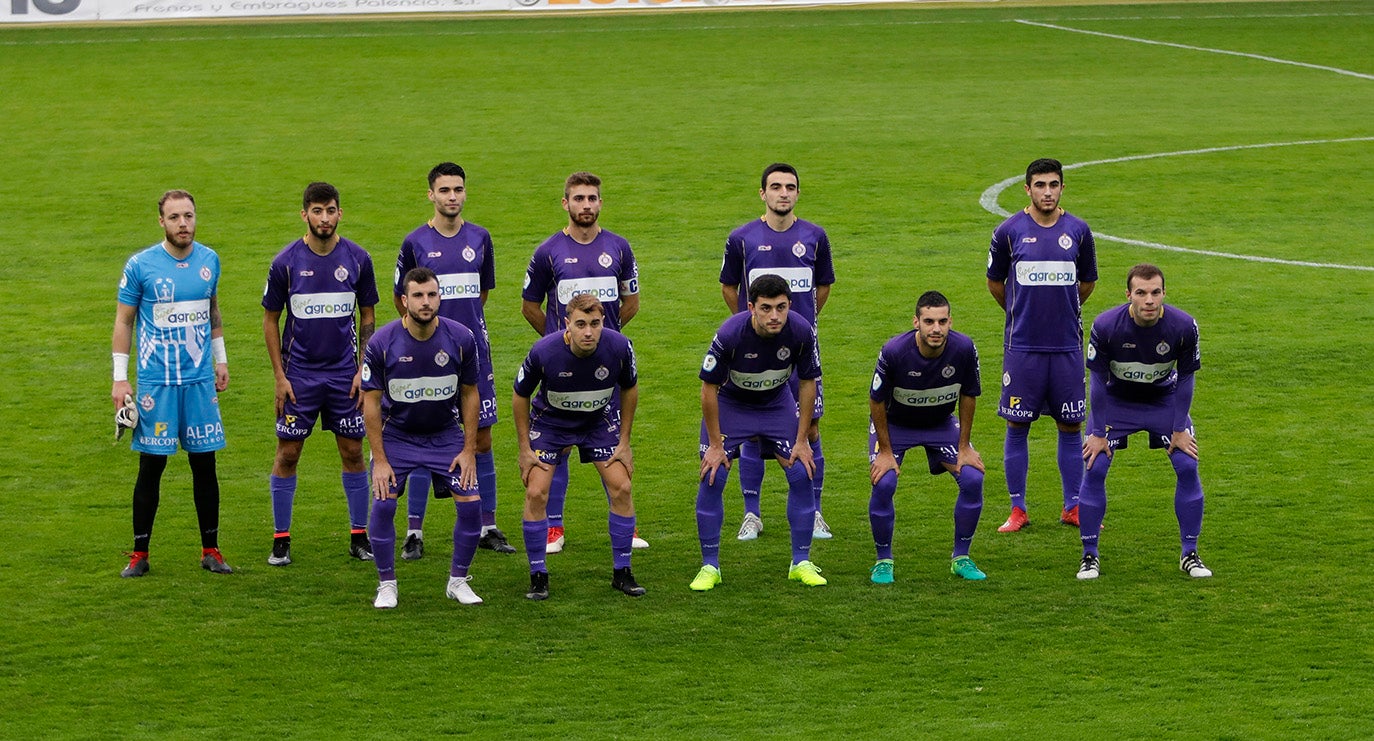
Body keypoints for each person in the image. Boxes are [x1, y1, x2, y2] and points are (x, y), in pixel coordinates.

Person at [392, 163, 514, 561]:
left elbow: (481, 295)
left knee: (481, 438)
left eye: (458, 189)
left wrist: (463, 332)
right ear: (431, 194)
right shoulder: (414, 242)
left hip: (472, 350)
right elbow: (403, 299)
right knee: (424, 435)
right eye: (444, 190)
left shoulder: (481, 238)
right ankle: (414, 532)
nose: (452, 196)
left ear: (465, 193)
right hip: (426, 355)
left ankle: (487, 525)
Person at [521, 171, 647, 554]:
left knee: (612, 445)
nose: (586, 205)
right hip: (562, 368)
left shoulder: (620, 248)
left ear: (600, 203)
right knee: (554, 448)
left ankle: (628, 526)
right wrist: (558, 342)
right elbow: (530, 305)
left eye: (592, 198)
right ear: (566, 204)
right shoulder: (547, 252)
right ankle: (553, 528)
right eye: (578, 199)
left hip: (604, 369)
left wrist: (605, 343)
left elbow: (631, 302)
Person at [111, 189, 233, 577]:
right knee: (151, 467)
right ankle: (139, 555)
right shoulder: (141, 265)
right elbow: (124, 322)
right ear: (161, 221)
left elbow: (212, 312)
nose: (184, 224)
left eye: (189, 216)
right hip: (156, 383)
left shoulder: (209, 260)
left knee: (205, 466)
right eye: (176, 217)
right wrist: (119, 379)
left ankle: (211, 550)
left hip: (198, 382)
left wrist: (221, 360)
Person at [262, 182, 378, 566]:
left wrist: (364, 371)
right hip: (301, 377)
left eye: (330, 211)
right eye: (317, 211)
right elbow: (270, 320)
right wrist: (280, 376)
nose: (324, 218)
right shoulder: (285, 263)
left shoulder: (358, 259)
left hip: (345, 375)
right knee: (289, 452)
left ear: (340, 213)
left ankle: (359, 536)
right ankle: (281, 538)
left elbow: (368, 317)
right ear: (304, 215)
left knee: (353, 450)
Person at [719, 163, 835, 542]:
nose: (783, 193)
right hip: (754, 355)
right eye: (775, 187)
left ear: (798, 193)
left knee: (811, 428)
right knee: (753, 433)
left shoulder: (815, 237)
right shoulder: (742, 239)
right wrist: (750, 329)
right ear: (762, 194)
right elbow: (730, 288)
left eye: (790, 187)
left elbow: (821, 290)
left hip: (800, 353)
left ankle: (814, 511)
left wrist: (798, 329)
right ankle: (752, 514)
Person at [690, 275, 825, 591]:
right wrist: (713, 444)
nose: (774, 316)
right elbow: (708, 388)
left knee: (801, 473)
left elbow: (807, 383)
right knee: (713, 475)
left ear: (789, 305)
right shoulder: (730, 334)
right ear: (750, 307)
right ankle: (710, 567)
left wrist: (803, 440)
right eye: (766, 308)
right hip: (732, 404)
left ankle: (800, 562)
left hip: (776, 403)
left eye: (781, 307)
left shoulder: (802, 331)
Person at [1075, 264, 1210, 580]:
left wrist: (1178, 429)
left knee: (1188, 465)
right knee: (1095, 467)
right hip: (1116, 403)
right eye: (1141, 293)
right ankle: (1089, 555)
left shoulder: (1184, 326)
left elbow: (1187, 378)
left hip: (1162, 401)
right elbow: (1095, 380)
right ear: (1128, 295)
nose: (1149, 300)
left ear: (1164, 293)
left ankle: (1190, 553)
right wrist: (1096, 432)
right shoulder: (1106, 325)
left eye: (1155, 292)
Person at [361, 268, 483, 609]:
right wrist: (380, 460)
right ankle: (387, 585)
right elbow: (370, 403)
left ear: (439, 297)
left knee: (472, 507)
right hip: (397, 437)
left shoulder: (461, 338)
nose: (426, 302)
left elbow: (471, 394)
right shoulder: (382, 343)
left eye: (431, 295)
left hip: (445, 436)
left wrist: (469, 450)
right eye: (418, 295)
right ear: (404, 301)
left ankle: (458, 581)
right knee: (384, 505)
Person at [986, 157, 1098, 533]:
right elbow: (996, 283)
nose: (1047, 192)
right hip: (1023, 348)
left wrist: (1061, 310)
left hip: (1066, 347)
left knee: (1071, 426)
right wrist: (1021, 311)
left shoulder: (1079, 231)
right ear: (1027, 189)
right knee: (1017, 427)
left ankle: (1073, 506)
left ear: (1062, 188)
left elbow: (1086, 283)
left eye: (1053, 185)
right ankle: (1018, 509)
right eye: (1040, 185)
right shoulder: (1008, 231)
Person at [514, 293, 645, 600]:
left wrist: (624, 442)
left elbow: (630, 388)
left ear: (604, 324)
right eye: (581, 324)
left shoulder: (620, 347)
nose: (589, 332)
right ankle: (538, 575)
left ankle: (622, 572)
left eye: (595, 324)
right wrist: (524, 448)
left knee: (622, 488)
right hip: (551, 425)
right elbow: (520, 395)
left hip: (598, 422)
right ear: (566, 325)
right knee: (536, 492)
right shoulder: (543, 351)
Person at [867, 291, 987, 584]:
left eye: (942, 321)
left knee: (972, 478)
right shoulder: (894, 351)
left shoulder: (964, 349)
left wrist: (964, 446)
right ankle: (883, 560)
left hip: (940, 423)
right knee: (885, 482)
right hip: (897, 425)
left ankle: (961, 557)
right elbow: (876, 401)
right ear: (916, 322)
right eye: (929, 321)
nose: (936, 328)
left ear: (950, 322)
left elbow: (969, 395)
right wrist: (885, 450)